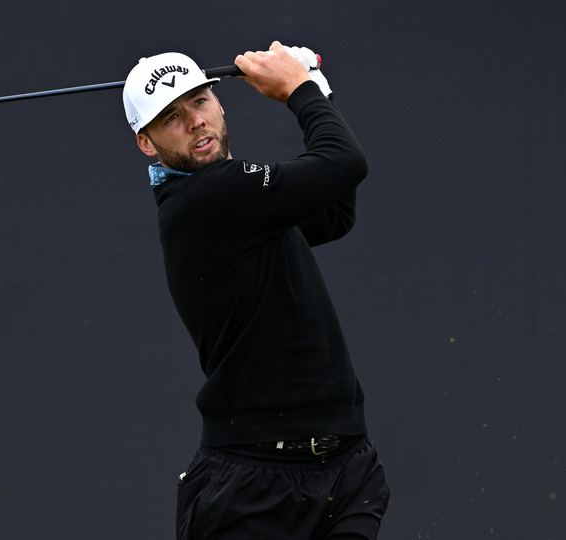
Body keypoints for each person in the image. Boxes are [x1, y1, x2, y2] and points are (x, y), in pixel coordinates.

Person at [122, 41, 390, 539]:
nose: (195, 121)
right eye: (171, 117)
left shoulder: (237, 202)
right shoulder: (203, 200)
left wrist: (317, 89)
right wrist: (300, 87)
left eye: (199, 101)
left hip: (345, 466)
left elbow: (334, 211)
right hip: (253, 485)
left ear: (219, 102)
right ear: (147, 143)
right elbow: (344, 161)